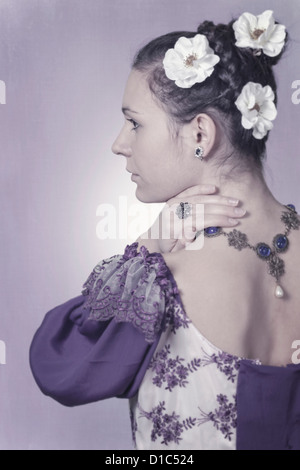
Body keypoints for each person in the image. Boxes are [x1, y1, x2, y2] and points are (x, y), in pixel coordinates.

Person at [30, 10, 300, 450]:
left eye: (135, 122)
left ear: (200, 133)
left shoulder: (165, 269)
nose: (119, 144)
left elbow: (62, 367)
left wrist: (146, 248)